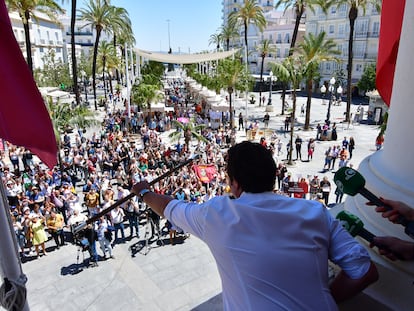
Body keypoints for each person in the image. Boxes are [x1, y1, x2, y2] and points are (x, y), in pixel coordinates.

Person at [132, 141, 378, 309]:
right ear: (273, 177)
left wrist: (143, 192)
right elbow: (365, 271)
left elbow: (169, 207)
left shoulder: (216, 214)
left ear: (235, 184)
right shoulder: (315, 211)